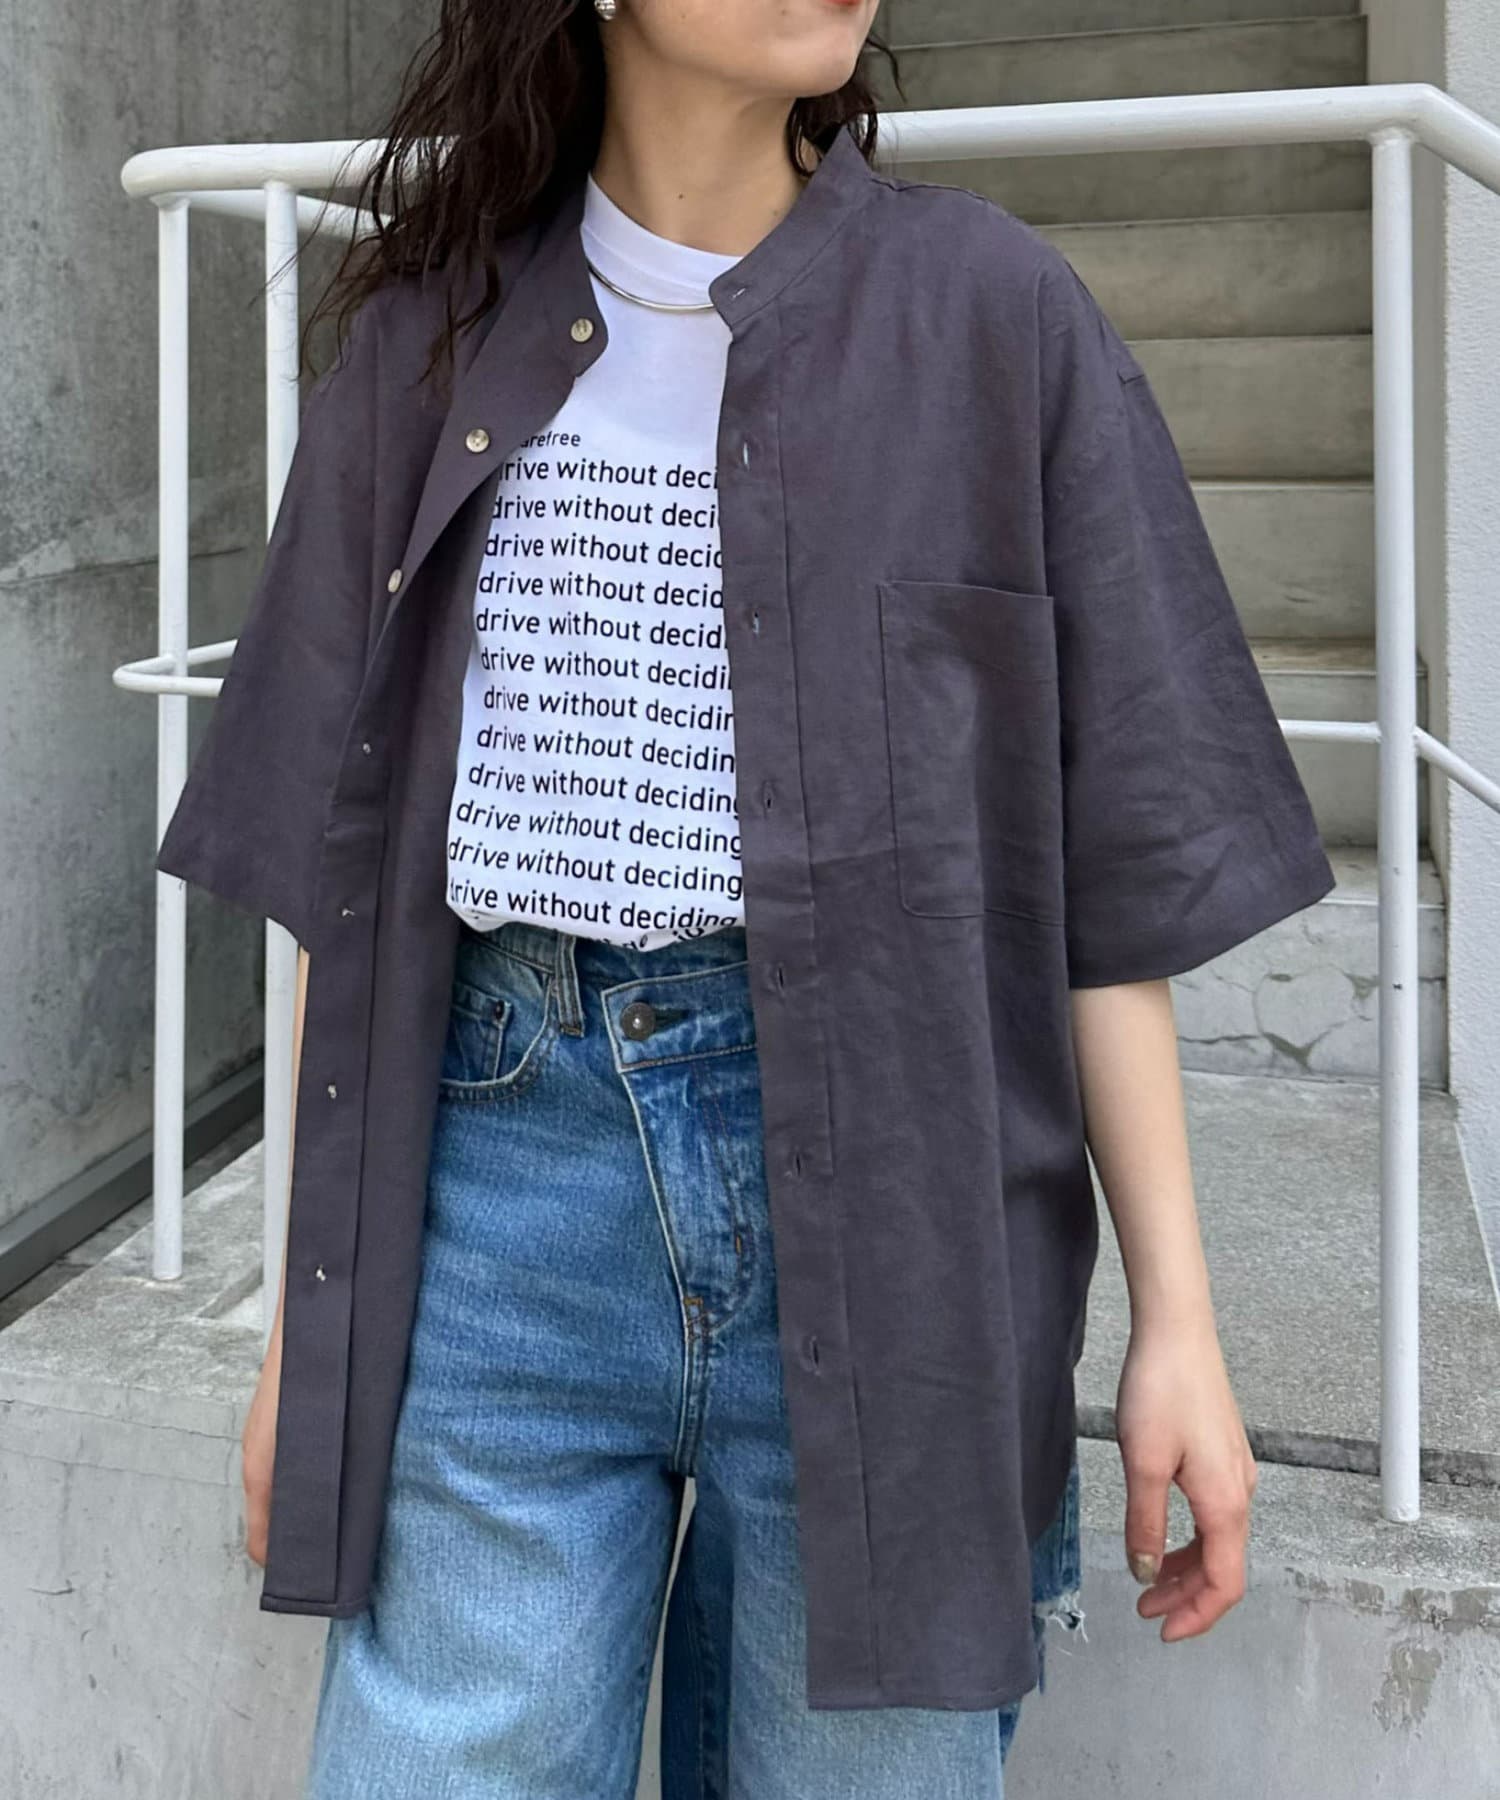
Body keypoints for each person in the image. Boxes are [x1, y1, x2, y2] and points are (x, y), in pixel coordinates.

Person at [154, 1, 1337, 1793]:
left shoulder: (992, 318)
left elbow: (1095, 876)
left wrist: (1180, 1319)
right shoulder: (427, 340)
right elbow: (347, 882)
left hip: (902, 1218)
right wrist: (298, 1354)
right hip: (498, 1212)